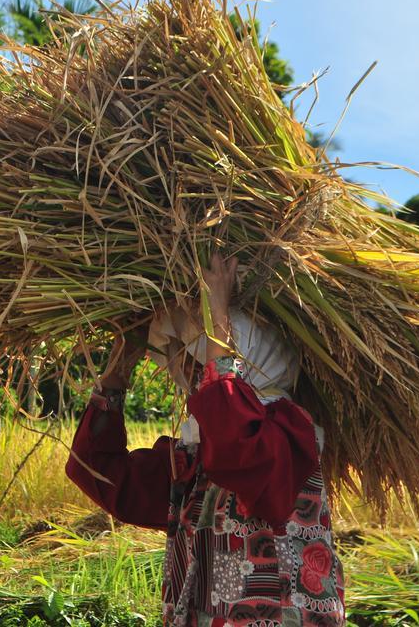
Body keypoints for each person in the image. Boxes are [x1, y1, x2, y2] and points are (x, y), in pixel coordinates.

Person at [65, 253, 346, 627]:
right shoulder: (194, 458)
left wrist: (218, 320)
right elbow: (99, 472)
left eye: (196, 356)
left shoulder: (289, 432)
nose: (183, 369)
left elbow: (236, 445)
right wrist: (119, 366)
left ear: (246, 361)